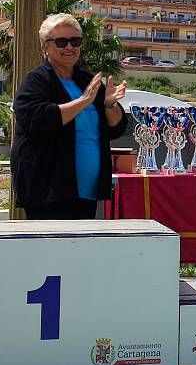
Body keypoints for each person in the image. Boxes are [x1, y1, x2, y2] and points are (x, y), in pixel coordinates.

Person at [12, 13, 128, 219]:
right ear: (45, 47)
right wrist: (83, 102)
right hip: (48, 191)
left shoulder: (88, 81)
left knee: (81, 250)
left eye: (75, 41)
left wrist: (110, 105)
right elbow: (39, 120)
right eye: (61, 42)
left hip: (88, 191)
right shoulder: (35, 81)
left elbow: (115, 129)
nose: (69, 47)